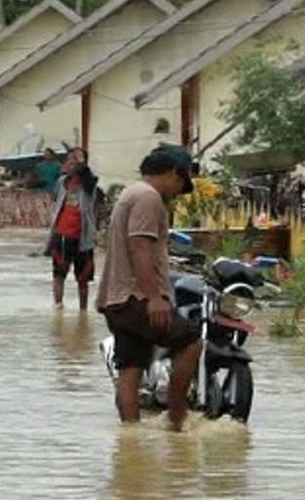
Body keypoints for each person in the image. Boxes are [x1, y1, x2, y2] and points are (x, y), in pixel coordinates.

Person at [96, 145, 200, 431]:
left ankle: (130, 437)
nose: (178, 193)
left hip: (116, 299)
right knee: (191, 340)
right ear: (173, 173)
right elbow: (139, 246)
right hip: (136, 298)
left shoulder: (130, 194)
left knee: (131, 369)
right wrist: (155, 297)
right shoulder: (149, 198)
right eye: (181, 183)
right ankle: (177, 422)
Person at [47, 148, 98, 310]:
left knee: (83, 278)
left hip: (83, 238)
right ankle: (58, 305)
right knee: (58, 274)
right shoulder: (61, 182)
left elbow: (92, 188)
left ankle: (83, 310)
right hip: (62, 235)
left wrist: (83, 165)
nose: (70, 163)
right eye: (68, 160)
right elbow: (55, 200)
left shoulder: (89, 184)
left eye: (75, 160)